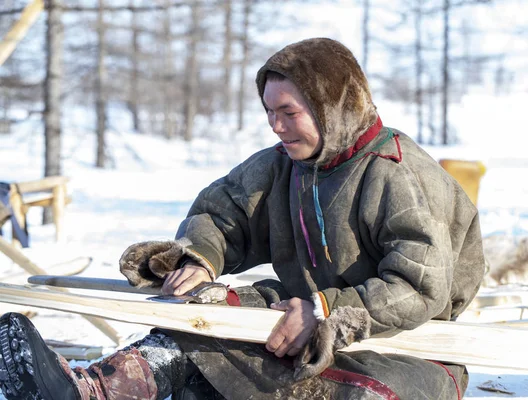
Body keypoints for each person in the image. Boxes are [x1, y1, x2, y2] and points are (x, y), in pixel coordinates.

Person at [0, 37, 485, 400]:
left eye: (289, 112)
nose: (275, 125)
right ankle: (91, 391)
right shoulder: (283, 165)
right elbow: (225, 212)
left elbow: (419, 287)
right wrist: (199, 259)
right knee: (207, 314)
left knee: (361, 394)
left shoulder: (396, 174)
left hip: (406, 343)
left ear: (333, 107)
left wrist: (325, 311)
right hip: (303, 313)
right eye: (269, 112)